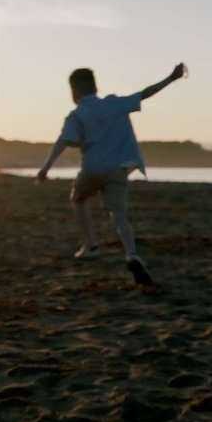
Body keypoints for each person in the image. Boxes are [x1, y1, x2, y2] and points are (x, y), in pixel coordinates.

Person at [36, 63, 186, 286]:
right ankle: (131, 254)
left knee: (78, 198)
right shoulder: (115, 104)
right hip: (118, 169)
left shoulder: (77, 114)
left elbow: (63, 142)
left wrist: (45, 168)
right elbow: (146, 93)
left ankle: (91, 245)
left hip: (92, 168)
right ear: (95, 87)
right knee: (119, 214)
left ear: (74, 91)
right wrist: (171, 78)